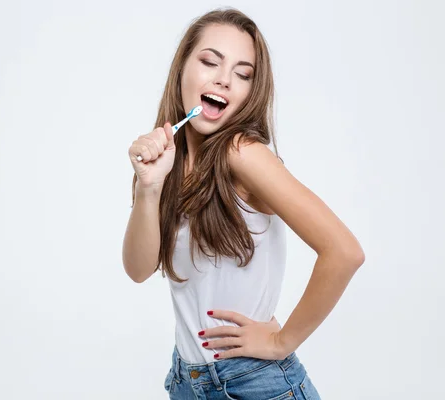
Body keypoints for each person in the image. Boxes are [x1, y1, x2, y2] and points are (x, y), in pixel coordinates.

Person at [122, 7, 364, 399]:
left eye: (243, 73)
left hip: (254, 385)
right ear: (182, 68)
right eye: (209, 61)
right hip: (187, 382)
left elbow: (344, 251)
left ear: (252, 90)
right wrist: (148, 188)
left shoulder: (241, 152)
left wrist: (280, 342)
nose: (224, 79)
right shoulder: (169, 160)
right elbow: (138, 269)